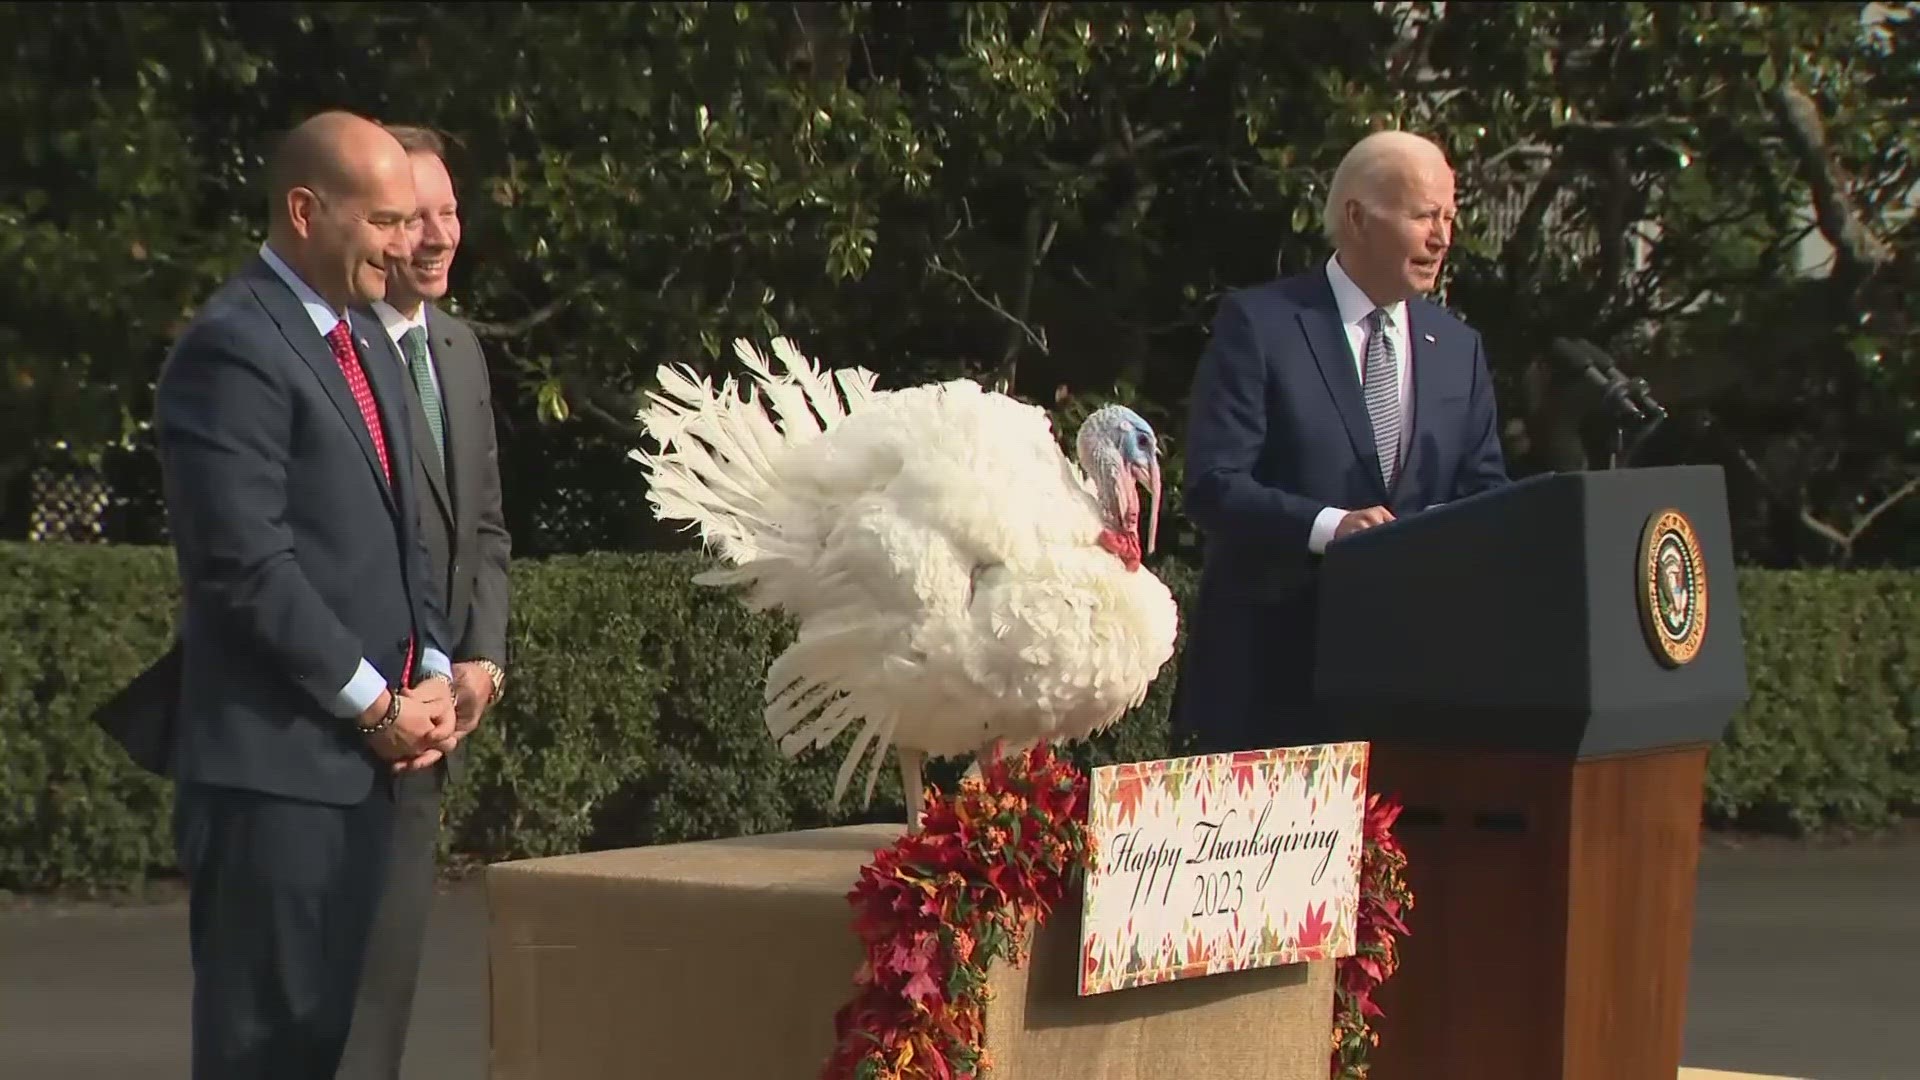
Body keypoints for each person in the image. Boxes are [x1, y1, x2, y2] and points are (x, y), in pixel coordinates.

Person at [151, 109, 458, 1078]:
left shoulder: (362, 340)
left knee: (348, 1051)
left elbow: (413, 533)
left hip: (373, 777)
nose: (407, 244)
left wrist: (438, 669)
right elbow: (246, 565)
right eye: (384, 222)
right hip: (275, 782)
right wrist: (375, 704)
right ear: (303, 210)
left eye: (412, 221)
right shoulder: (233, 345)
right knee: (272, 1053)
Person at [1172, 130, 1509, 755]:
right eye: (1422, 216)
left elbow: (1487, 494)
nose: (1442, 237)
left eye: (1449, 217)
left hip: (1412, 689)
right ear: (1356, 217)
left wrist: (1446, 535)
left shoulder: (1459, 349)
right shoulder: (1262, 326)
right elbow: (1215, 486)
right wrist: (1333, 528)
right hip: (1270, 685)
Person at [336, 123, 512, 1080]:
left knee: (387, 990)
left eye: (450, 212)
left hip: (434, 725)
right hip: (344, 721)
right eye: (416, 218)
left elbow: (483, 527)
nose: (439, 236)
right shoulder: (333, 353)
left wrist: (480, 660)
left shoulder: (462, 350)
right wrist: (386, 699)